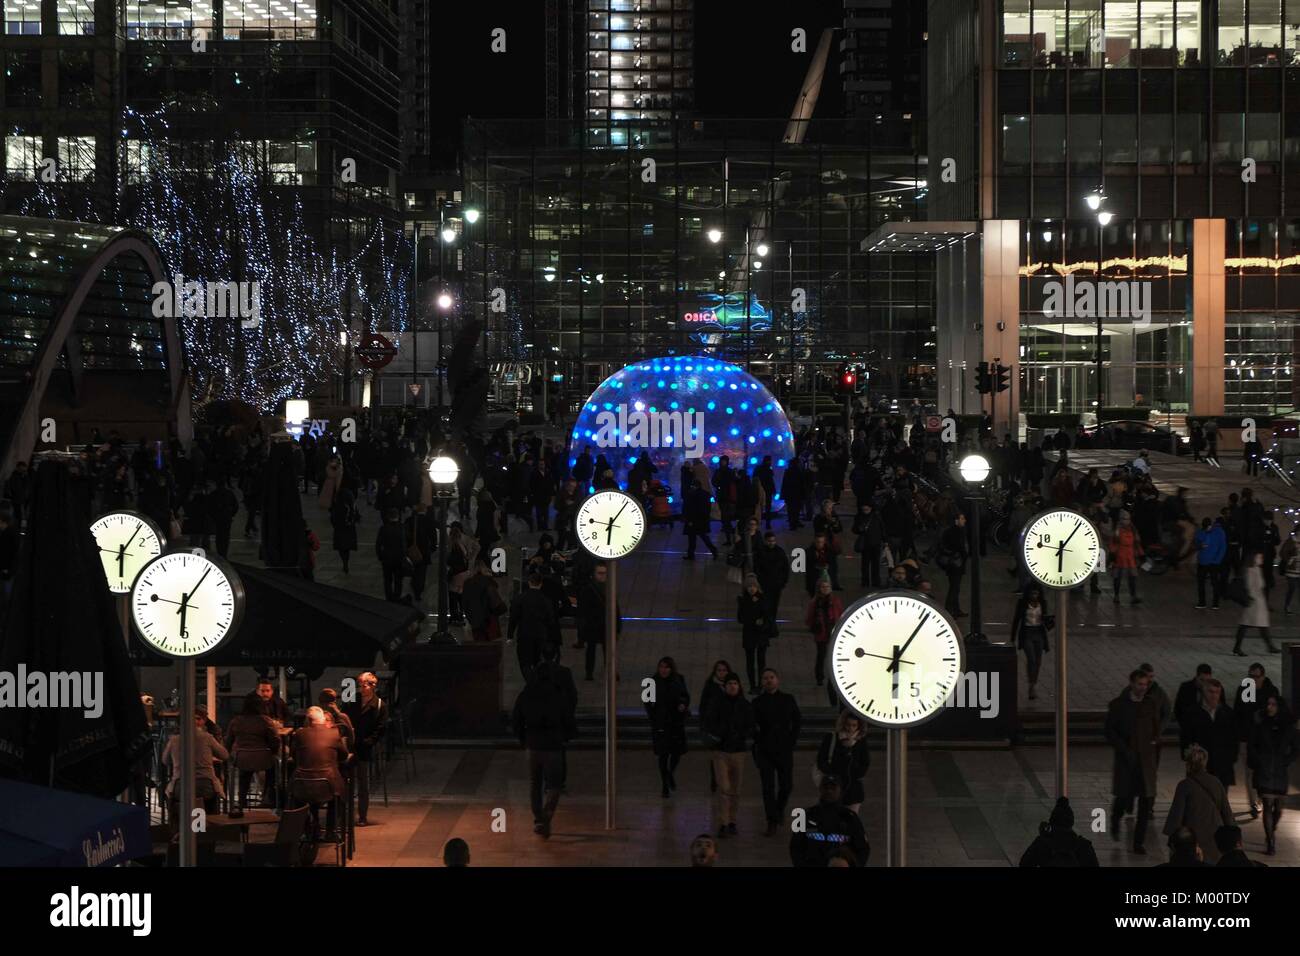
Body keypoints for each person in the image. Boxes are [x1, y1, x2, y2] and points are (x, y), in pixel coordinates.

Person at [512, 656, 577, 838]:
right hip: (553, 746)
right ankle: (546, 816)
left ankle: (539, 818)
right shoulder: (558, 695)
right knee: (554, 785)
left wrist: (523, 739)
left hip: (533, 745)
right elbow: (567, 719)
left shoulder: (527, 694)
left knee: (535, 784)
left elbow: (516, 719)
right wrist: (567, 736)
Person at [1105, 669, 1162, 854]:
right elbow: (1110, 731)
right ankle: (1115, 820)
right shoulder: (1119, 705)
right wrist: (1124, 749)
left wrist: (1154, 743)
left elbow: (1155, 727)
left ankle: (1138, 842)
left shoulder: (1150, 703)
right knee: (1123, 797)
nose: (1143, 688)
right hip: (1127, 760)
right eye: (1140, 684)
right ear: (1131, 683)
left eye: (1145, 684)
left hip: (1145, 762)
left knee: (1145, 803)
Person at [1162, 744, 1233, 864]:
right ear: (1205, 762)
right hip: (1215, 839)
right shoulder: (1216, 782)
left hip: (1193, 841)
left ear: (1188, 764)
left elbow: (1176, 816)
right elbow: (1227, 813)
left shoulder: (1184, 785)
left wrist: (1172, 839)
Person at [751, 668, 802, 837]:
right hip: (765, 749)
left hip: (784, 748)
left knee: (787, 785)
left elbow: (797, 721)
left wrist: (791, 740)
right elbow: (751, 725)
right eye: (765, 678)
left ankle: (778, 811)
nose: (768, 680)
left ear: (777, 680)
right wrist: (758, 739)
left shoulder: (788, 699)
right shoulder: (757, 702)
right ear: (762, 682)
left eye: (771, 677)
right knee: (768, 787)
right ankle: (771, 821)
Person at [702, 673, 754, 837]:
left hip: (738, 751)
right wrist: (719, 735)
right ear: (725, 686)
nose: (732, 686)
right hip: (721, 751)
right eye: (729, 683)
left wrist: (741, 734)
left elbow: (750, 725)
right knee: (724, 788)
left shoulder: (744, 705)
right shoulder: (717, 704)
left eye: (735, 683)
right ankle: (724, 822)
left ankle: (732, 820)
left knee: (735, 789)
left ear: (739, 686)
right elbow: (709, 723)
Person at [290, 706, 350, 839]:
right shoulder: (334, 733)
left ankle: (308, 828)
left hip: (302, 784)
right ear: (323, 719)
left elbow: (294, 755)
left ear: (308, 721)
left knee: (297, 796)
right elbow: (344, 756)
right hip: (328, 784)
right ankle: (330, 830)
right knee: (339, 796)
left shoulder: (299, 734)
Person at [1248, 694, 1296, 855]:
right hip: (1265, 770)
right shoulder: (1260, 724)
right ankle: (1270, 841)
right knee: (1268, 805)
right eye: (1268, 704)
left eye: (1273, 704)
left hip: (1280, 771)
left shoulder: (1288, 727)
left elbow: (1296, 748)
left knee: (1279, 807)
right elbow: (1252, 745)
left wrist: (1286, 760)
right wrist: (1259, 761)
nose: (1270, 707)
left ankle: (1271, 830)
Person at [788, 776, 869, 867]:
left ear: (840, 790)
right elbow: (796, 847)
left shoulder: (850, 818)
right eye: (826, 787)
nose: (829, 791)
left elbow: (862, 849)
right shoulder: (806, 816)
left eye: (833, 787)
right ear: (820, 789)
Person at [162, 709, 229, 815]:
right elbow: (224, 755)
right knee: (209, 805)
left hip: (181, 786)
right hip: (205, 785)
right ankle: (203, 827)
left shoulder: (174, 740)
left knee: (175, 796)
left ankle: (185, 826)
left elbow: (165, 761)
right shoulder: (207, 737)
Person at [342, 671, 387, 827]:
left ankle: (362, 815)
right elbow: (344, 717)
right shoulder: (352, 701)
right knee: (347, 782)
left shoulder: (379, 705)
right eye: (359, 685)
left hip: (364, 747)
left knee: (363, 783)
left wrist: (369, 741)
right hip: (351, 745)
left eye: (364, 685)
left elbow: (380, 728)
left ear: (372, 686)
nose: (361, 688)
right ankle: (347, 815)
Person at [224, 695, 281, 815]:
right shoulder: (266, 721)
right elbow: (275, 741)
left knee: (244, 772)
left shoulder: (236, 721)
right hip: (263, 758)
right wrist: (273, 752)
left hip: (242, 757)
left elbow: (228, 742)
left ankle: (241, 801)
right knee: (272, 769)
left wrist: (228, 756)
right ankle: (268, 796)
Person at [1236, 662, 1280, 817]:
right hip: (1247, 737)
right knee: (1249, 771)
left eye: (1256, 676)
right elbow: (1239, 712)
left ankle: (1264, 799)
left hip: (1264, 739)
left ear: (1263, 676)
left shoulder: (1271, 691)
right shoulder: (1244, 689)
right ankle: (1254, 803)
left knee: (1265, 770)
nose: (1253, 679)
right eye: (1251, 676)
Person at [1179, 677, 1237, 790]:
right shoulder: (1192, 713)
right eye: (1210, 692)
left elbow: (1233, 739)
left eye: (1217, 692)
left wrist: (1230, 758)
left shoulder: (1227, 713)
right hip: (1200, 765)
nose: (1214, 695)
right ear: (1203, 692)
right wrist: (1190, 756)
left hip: (1222, 765)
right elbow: (1186, 737)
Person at [645, 656, 690, 798]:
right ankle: (664, 784)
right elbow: (646, 701)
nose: (663, 670)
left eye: (666, 667)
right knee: (663, 755)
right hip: (661, 723)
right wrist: (654, 717)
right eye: (661, 667)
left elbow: (685, 695)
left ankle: (670, 773)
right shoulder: (652, 682)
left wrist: (683, 704)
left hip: (676, 721)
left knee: (676, 752)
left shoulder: (679, 679)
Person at [1018, 797, 1100, 867]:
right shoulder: (1084, 846)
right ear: (1071, 823)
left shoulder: (1042, 843)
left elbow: (1024, 864)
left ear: (1052, 821)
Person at [815, 710, 870, 813]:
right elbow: (821, 759)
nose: (850, 728)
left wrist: (856, 774)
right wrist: (830, 772)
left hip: (853, 789)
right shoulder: (832, 738)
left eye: (854, 725)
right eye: (848, 725)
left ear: (859, 726)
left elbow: (865, 762)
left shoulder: (861, 741)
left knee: (851, 820)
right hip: (834, 785)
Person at [508, 572, 558, 681]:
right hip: (541, 634)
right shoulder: (546, 600)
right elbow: (551, 620)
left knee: (524, 661)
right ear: (541, 584)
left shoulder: (520, 598)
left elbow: (513, 618)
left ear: (529, 582)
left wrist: (510, 635)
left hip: (524, 634)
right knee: (537, 659)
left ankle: (530, 680)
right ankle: (536, 678)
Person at [578, 562, 621, 681]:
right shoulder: (588, 590)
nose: (602, 576)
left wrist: (617, 626)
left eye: (605, 573)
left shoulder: (609, 587)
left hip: (605, 625)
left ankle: (610, 671)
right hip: (593, 625)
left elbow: (615, 608)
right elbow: (582, 610)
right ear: (594, 574)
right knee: (592, 649)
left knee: (607, 650)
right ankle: (589, 672)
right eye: (600, 573)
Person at [1010, 588, 1052, 701]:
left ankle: (1033, 683)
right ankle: (1031, 685)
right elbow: (1016, 619)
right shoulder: (1022, 603)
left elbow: (1045, 618)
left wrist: (1049, 621)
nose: (1034, 595)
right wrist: (1012, 638)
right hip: (1027, 633)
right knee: (1031, 659)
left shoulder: (1043, 603)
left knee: (1038, 661)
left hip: (1039, 633)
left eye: (1036, 592)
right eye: (1032, 592)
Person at [1234, 552, 1278, 655]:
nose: (1261, 559)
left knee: (1257, 625)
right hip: (1254, 602)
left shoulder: (1257, 569)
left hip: (1259, 602)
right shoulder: (1251, 570)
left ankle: (1269, 646)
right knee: (1248, 624)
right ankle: (1237, 647)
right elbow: (1250, 586)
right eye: (1259, 557)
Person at [804, 577, 843, 688]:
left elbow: (840, 614)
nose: (825, 589)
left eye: (827, 587)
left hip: (833, 631)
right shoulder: (815, 602)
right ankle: (819, 677)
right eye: (823, 587)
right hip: (821, 632)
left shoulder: (835, 601)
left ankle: (832, 676)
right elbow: (809, 617)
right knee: (821, 655)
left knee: (832, 655)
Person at [737, 575, 773, 693]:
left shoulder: (763, 599)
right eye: (749, 587)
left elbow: (767, 616)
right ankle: (752, 685)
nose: (752, 589)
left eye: (753, 586)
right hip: (749, 634)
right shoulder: (743, 600)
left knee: (761, 661)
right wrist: (754, 620)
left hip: (761, 634)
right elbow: (741, 618)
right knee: (750, 662)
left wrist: (762, 623)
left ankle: (761, 685)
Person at [462, 558, 506, 643]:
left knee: (479, 643)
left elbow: (464, 603)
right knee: (489, 645)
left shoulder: (467, 583)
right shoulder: (488, 582)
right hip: (488, 620)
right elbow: (496, 602)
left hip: (475, 620)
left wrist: (470, 618)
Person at [752, 531, 789, 634]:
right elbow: (757, 568)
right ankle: (770, 626)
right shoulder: (760, 552)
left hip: (776, 585)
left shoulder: (780, 552)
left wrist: (783, 582)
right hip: (764, 584)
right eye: (769, 541)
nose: (771, 543)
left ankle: (769, 625)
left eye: (773, 541)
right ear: (765, 541)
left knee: (773, 606)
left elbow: (785, 568)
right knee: (766, 605)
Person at [936, 512, 968, 617]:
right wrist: (964, 554)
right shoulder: (956, 532)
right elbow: (959, 547)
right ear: (956, 520)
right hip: (955, 563)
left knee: (955, 587)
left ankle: (956, 609)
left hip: (952, 563)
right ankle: (949, 610)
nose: (964, 521)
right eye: (962, 519)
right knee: (954, 588)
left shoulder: (950, 531)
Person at [404, 503, 437, 604]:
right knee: (422, 572)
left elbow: (405, 534)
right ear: (425, 510)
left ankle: (414, 584)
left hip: (411, 549)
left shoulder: (409, 520)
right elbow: (433, 536)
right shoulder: (429, 521)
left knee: (413, 568)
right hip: (424, 550)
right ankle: (418, 591)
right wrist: (433, 547)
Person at [1109, 511, 1143, 605]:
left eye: (1128, 519)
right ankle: (1116, 596)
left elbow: (1136, 543)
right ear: (1121, 520)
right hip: (1120, 556)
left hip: (1130, 556)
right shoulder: (1117, 531)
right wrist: (1112, 556)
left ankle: (1133, 596)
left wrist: (1141, 554)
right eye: (1124, 519)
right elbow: (1113, 544)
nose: (1127, 521)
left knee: (1133, 577)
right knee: (1117, 577)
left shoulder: (1133, 530)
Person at [375, 507, 407, 602]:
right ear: (398, 516)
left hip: (387, 558)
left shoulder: (383, 528)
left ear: (388, 517)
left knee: (387, 580)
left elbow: (378, 544)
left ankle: (389, 597)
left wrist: (380, 556)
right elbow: (404, 544)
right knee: (398, 580)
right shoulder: (401, 528)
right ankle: (397, 596)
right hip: (398, 558)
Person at [1193, 516, 1225, 609]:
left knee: (1215, 583)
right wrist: (1200, 545)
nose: (1207, 529)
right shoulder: (1200, 532)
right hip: (1203, 561)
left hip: (1213, 562)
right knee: (1201, 583)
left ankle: (1215, 603)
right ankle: (1202, 602)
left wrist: (1217, 560)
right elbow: (1196, 543)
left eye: (1208, 527)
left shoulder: (1219, 532)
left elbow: (1222, 547)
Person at [682, 478, 718, 560]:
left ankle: (691, 554)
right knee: (703, 537)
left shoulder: (691, 495)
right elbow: (706, 508)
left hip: (693, 520)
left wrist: (688, 519)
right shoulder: (705, 494)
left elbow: (690, 508)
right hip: (702, 520)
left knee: (692, 539)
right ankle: (713, 550)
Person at [852, 500, 884, 589]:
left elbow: (882, 528)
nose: (865, 508)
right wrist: (859, 529)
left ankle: (875, 581)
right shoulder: (859, 517)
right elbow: (854, 529)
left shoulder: (877, 516)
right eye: (864, 506)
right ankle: (865, 581)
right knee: (865, 564)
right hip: (865, 544)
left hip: (876, 543)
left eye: (867, 506)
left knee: (875, 564)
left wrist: (885, 540)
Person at [1174, 663, 1213, 733]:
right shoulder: (1185, 688)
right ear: (1196, 677)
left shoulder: (1215, 689)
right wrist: (1184, 726)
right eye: (1202, 680)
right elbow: (1178, 709)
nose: (1204, 683)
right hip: (1189, 729)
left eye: (1207, 680)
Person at [330, 484, 359, 574]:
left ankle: (345, 562)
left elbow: (333, 515)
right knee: (346, 547)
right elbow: (355, 514)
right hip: (348, 527)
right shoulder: (351, 503)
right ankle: (346, 562)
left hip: (340, 527)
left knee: (341, 547)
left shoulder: (337, 502)